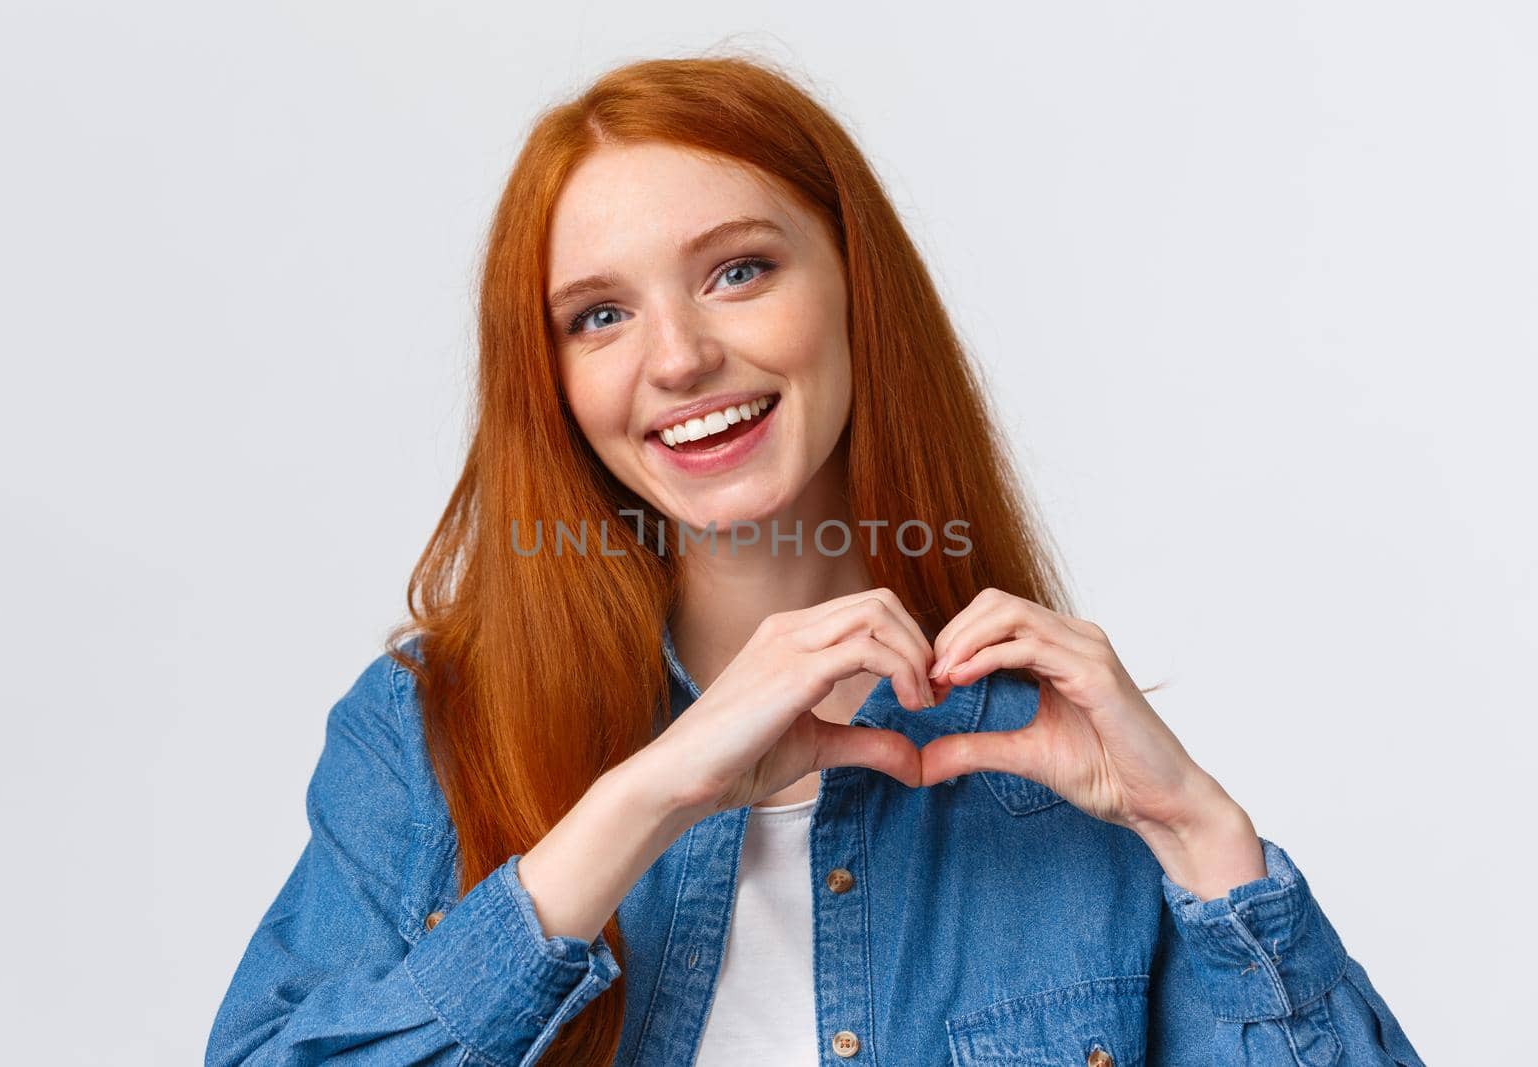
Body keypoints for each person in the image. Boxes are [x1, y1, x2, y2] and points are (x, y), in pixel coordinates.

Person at [205, 54, 1426, 1067]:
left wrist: (1203, 837)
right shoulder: (426, 730)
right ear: (556, 382)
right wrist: (644, 797)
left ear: (856, 289)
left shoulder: (1058, 764)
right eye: (600, 314)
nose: (676, 358)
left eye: (738, 271)